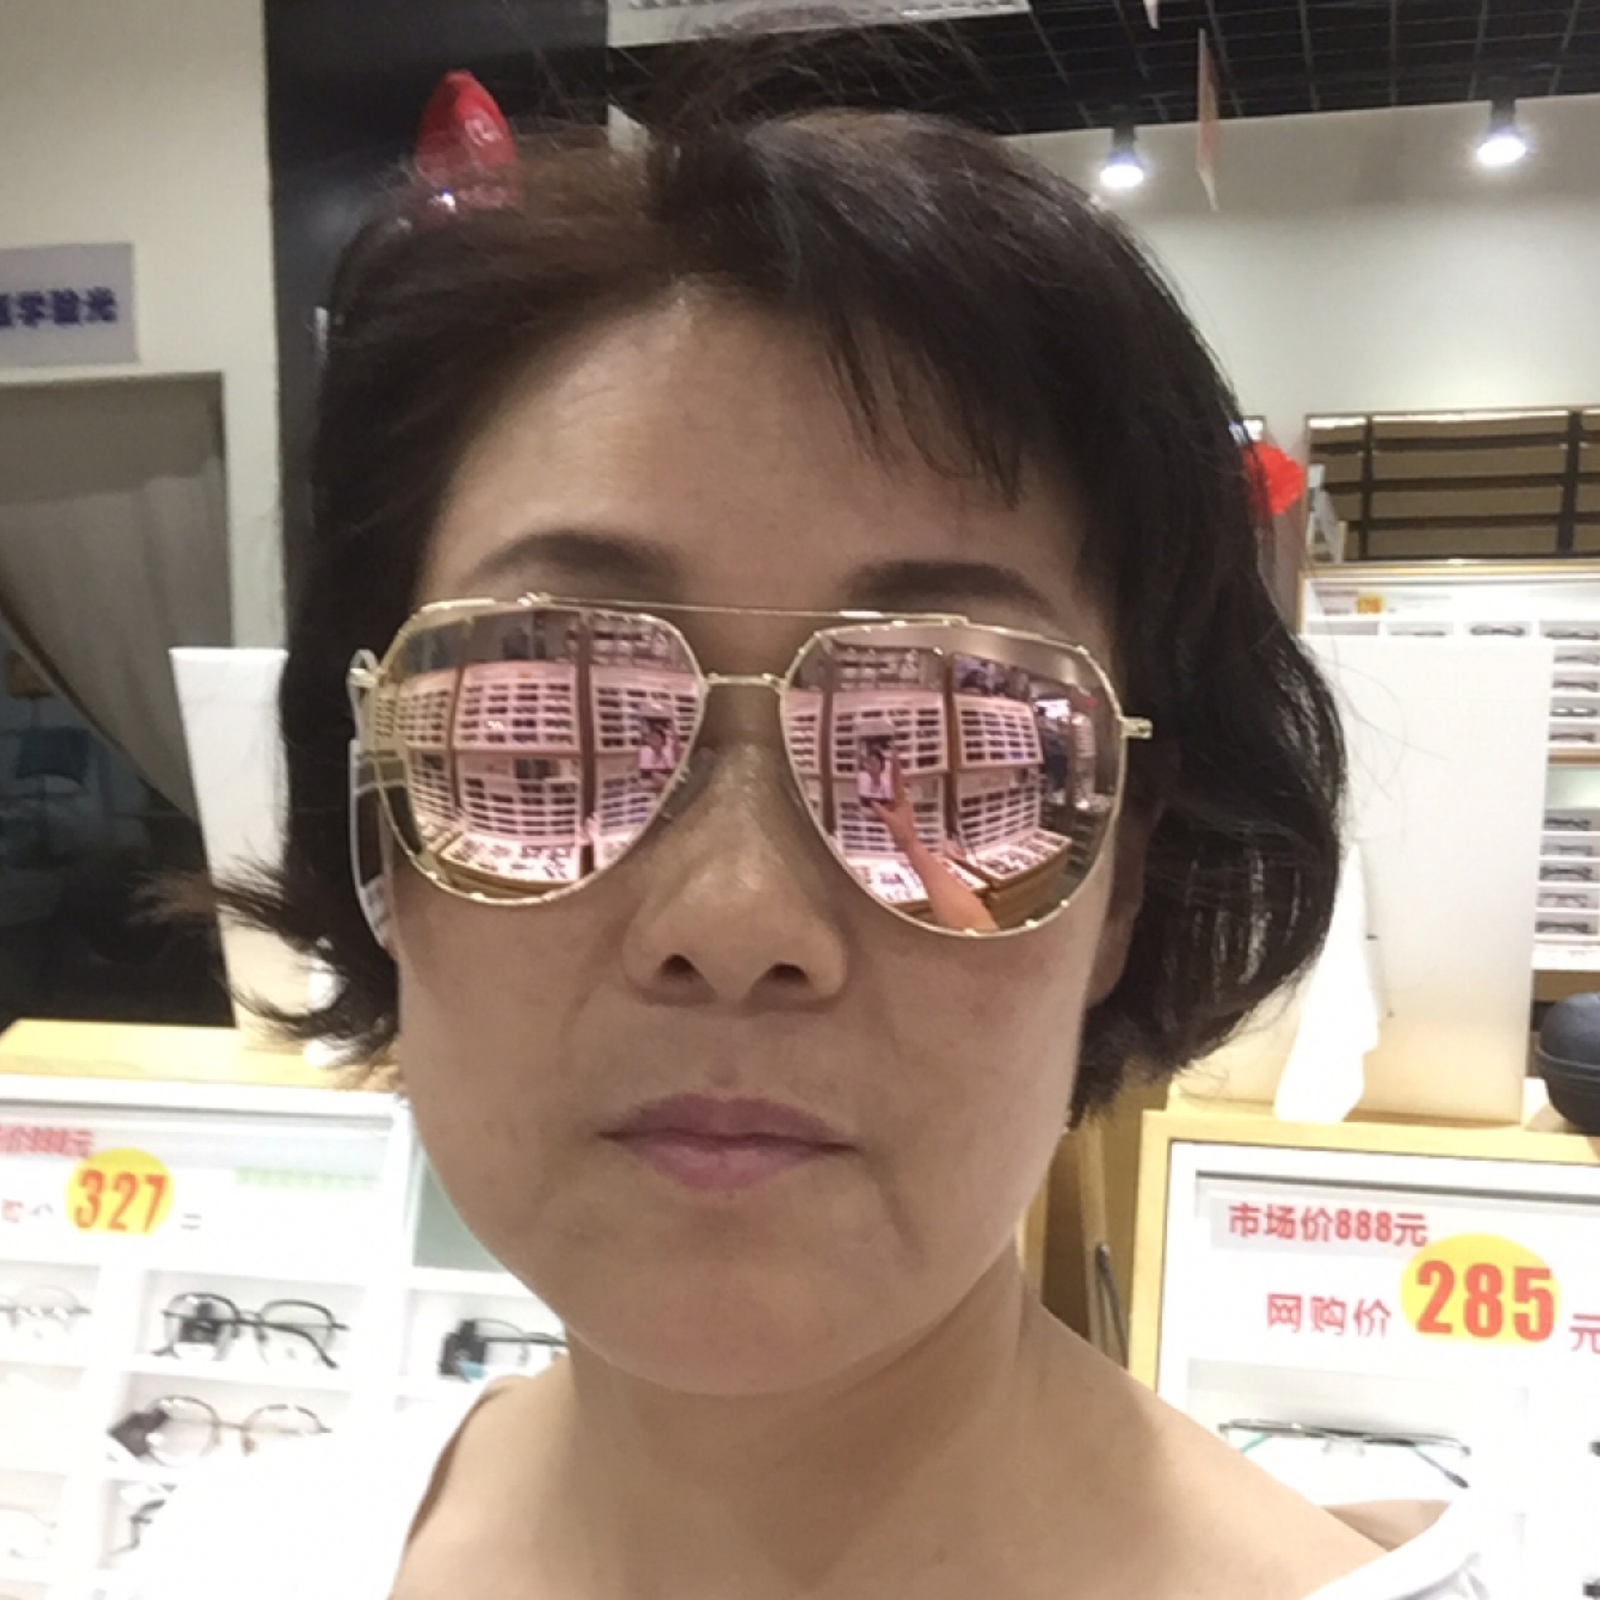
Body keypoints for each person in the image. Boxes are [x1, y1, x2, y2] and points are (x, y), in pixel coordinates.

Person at [137, 42, 1486, 1600]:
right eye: (552, 722)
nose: (734, 923)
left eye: (954, 746)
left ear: (1127, 874)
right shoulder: (230, 1561)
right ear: (379, 815)